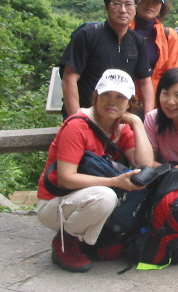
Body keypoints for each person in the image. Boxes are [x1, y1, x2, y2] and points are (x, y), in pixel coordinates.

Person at [36, 69, 155, 272]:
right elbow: (66, 179)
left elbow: (144, 164)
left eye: (120, 97)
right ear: (95, 96)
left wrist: (136, 122)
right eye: (106, 94)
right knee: (106, 196)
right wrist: (115, 182)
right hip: (54, 202)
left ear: (129, 103)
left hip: (81, 199)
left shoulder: (120, 128)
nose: (111, 102)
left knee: (123, 192)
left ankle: (87, 240)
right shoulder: (78, 125)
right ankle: (65, 242)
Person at [60, 0, 154, 117]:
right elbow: (69, 79)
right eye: (117, 4)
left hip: (119, 117)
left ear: (135, 8)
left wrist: (148, 118)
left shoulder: (137, 41)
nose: (123, 10)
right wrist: (76, 119)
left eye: (128, 4)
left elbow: (145, 82)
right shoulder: (87, 35)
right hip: (87, 114)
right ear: (106, 7)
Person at [129, 0, 178, 95]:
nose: (150, 4)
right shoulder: (123, 31)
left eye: (156, 1)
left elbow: (174, 75)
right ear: (135, 2)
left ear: (162, 6)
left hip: (157, 100)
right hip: (124, 98)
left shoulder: (169, 36)